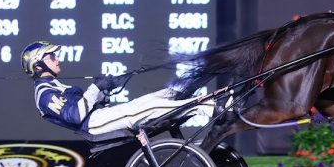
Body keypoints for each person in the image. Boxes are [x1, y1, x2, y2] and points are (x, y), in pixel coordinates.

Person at [21, 40, 211, 135]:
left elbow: (84, 104)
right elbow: (76, 116)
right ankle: (206, 106)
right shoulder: (44, 94)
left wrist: (103, 92)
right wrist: (95, 87)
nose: (57, 58)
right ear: (38, 66)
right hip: (94, 124)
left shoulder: (54, 85)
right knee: (148, 108)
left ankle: (190, 93)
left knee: (159, 96)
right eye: (51, 56)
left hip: (99, 117)